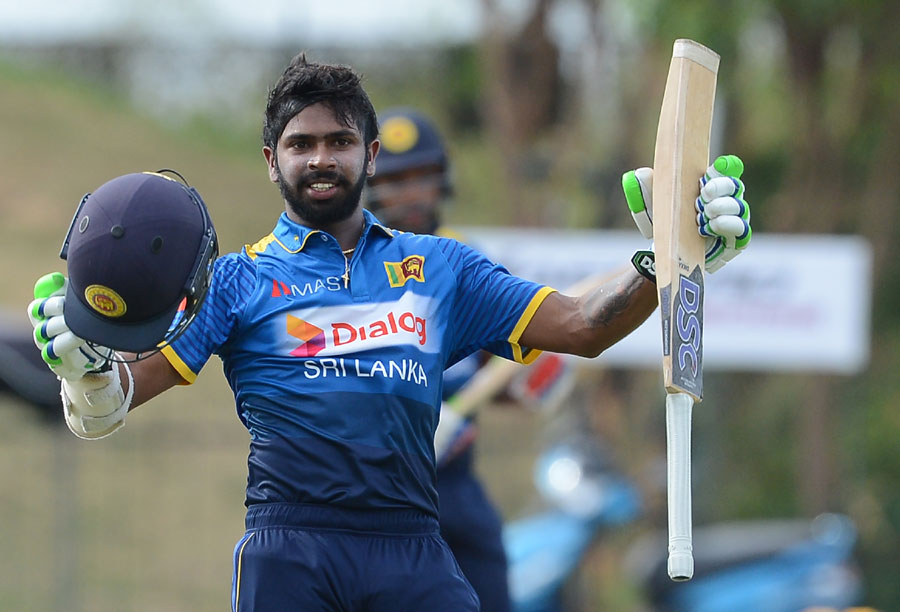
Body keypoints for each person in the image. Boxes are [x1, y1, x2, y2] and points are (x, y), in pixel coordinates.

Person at [27, 52, 751, 611]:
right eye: (301, 143)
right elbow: (115, 399)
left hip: (410, 543)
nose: (319, 158)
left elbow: (584, 327)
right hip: (290, 546)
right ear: (271, 160)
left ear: (369, 155)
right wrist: (84, 370)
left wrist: (667, 261)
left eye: (339, 141)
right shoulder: (237, 280)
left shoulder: (441, 269)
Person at [366, 107, 512, 612]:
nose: (409, 193)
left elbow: (512, 375)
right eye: (394, 180)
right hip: (370, 496)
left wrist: (533, 379)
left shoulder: (469, 260)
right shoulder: (346, 267)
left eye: (420, 177)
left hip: (455, 489)